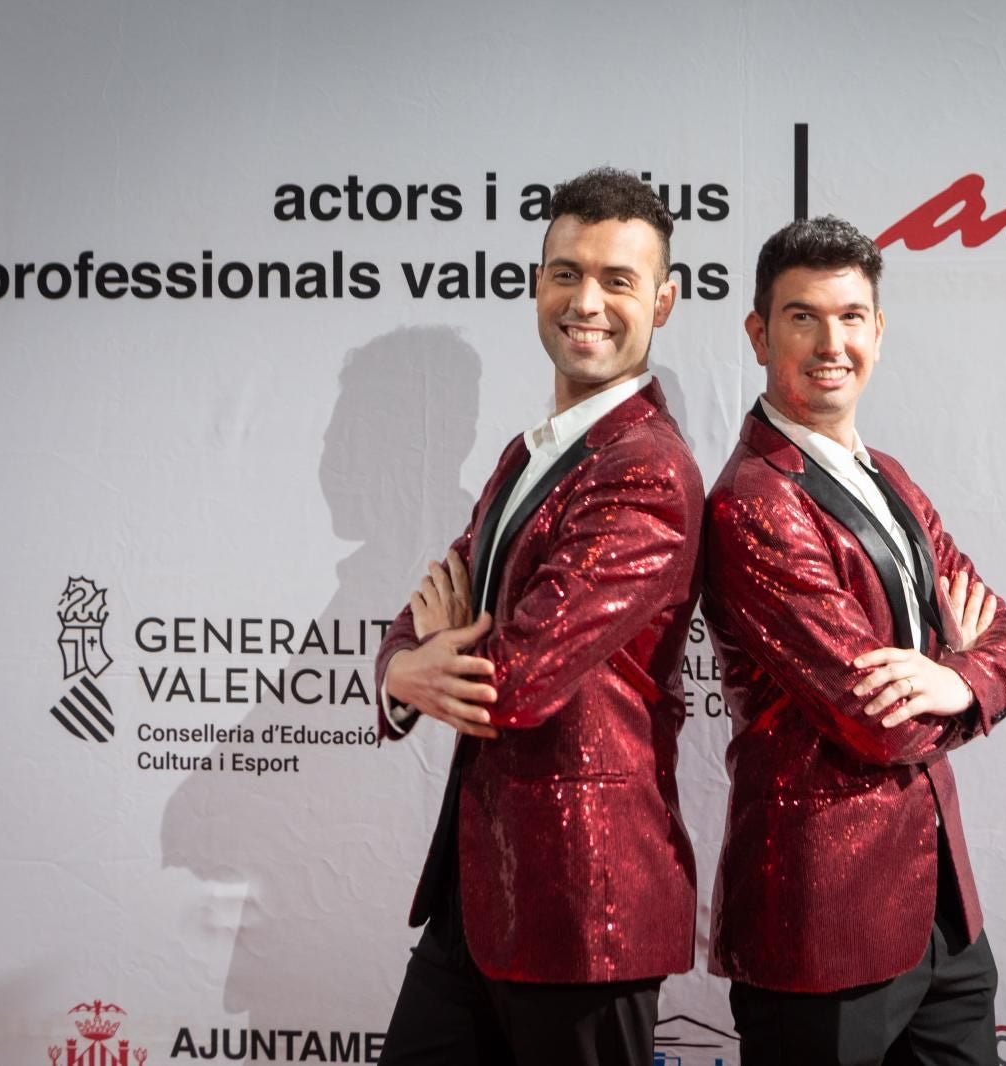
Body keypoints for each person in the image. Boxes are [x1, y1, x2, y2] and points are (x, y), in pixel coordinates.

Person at [372, 167, 704, 1066]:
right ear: (535, 285)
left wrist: (427, 651)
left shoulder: (648, 471)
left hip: (585, 913)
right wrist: (400, 668)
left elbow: (512, 677)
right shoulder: (531, 451)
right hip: (476, 901)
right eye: (566, 273)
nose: (585, 300)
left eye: (617, 280)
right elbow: (434, 597)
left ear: (664, 303)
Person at [702, 216, 1006, 1066]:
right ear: (757, 333)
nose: (831, 342)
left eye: (852, 316)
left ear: (879, 333)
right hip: (821, 927)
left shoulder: (890, 476)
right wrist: (966, 677)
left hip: (944, 915)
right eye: (803, 316)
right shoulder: (755, 502)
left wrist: (957, 678)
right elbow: (878, 719)